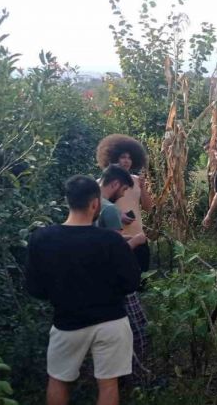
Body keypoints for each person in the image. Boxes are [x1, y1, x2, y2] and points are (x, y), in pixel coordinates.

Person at [26, 175, 140, 405]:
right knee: (108, 383)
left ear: (67, 201)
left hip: (67, 321)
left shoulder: (41, 238)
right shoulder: (111, 240)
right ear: (95, 203)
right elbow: (131, 283)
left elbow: (35, 288)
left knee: (58, 380)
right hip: (111, 321)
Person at [96, 165, 149, 384]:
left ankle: (120, 375)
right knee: (138, 329)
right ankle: (136, 379)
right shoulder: (108, 209)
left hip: (97, 280)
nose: (125, 194)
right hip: (115, 280)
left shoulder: (92, 204)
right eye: (125, 189)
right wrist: (136, 240)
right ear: (116, 184)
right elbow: (114, 252)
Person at [96, 134, 153, 272]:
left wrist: (144, 187)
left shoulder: (137, 181)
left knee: (142, 280)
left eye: (129, 157)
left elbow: (148, 208)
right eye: (123, 157)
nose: (127, 161)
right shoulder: (100, 185)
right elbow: (93, 212)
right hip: (117, 240)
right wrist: (117, 214)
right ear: (113, 158)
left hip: (138, 237)